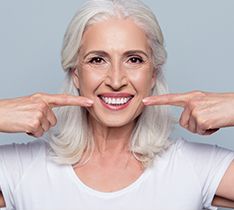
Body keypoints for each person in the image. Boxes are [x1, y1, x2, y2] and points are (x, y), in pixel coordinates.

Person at [0, 0, 234, 209]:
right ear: (75, 74)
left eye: (134, 60)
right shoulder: (22, 169)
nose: (115, 80)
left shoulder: (191, 167)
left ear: (153, 74)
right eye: (97, 60)